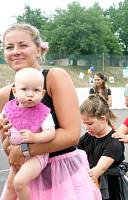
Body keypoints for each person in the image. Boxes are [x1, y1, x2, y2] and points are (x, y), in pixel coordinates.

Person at [0, 23, 101, 200]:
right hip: (27, 180)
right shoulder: (5, 94)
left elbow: (71, 134)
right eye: (9, 47)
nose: (15, 51)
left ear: (39, 50)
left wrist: (25, 149)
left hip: (62, 176)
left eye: (23, 45)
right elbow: (9, 148)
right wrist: (7, 139)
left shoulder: (54, 77)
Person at [1, 68, 56, 200]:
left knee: (19, 183)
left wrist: (35, 137)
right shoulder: (10, 107)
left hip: (36, 156)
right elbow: (2, 120)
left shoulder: (43, 112)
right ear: (14, 91)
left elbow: (51, 132)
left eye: (36, 90)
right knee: (10, 186)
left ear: (42, 94)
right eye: (24, 89)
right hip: (16, 153)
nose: (30, 94)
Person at [78, 94, 128, 200]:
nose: (86, 127)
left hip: (111, 190)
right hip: (92, 187)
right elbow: (74, 155)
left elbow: (99, 168)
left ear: (103, 119)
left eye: (89, 123)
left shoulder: (114, 142)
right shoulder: (87, 137)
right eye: (84, 123)